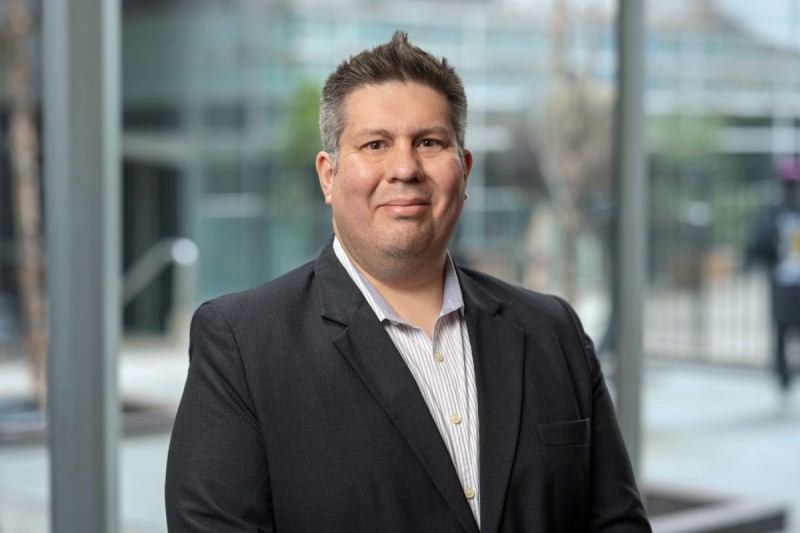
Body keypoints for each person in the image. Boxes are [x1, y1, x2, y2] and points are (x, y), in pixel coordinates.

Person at [165, 31, 651, 532]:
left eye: (429, 142)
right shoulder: (242, 344)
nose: (404, 168)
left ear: (464, 170)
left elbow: (618, 523)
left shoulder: (554, 330)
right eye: (375, 144)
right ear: (328, 175)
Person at [748, 157, 800, 396]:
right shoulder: (774, 215)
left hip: (787, 284)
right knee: (781, 330)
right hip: (783, 284)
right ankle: (783, 375)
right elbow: (760, 247)